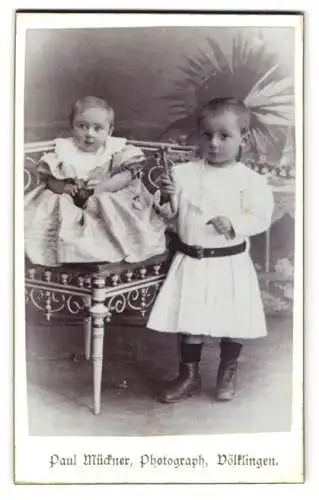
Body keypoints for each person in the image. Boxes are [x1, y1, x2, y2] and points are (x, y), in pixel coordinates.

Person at [148, 97, 274, 403]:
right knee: (191, 321)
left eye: (224, 136)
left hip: (229, 262)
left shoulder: (252, 180)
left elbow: (260, 217)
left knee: (231, 321)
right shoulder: (183, 173)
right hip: (192, 259)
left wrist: (233, 222)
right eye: (207, 135)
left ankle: (227, 370)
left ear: (243, 139)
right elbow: (167, 216)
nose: (214, 144)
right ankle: (188, 375)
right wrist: (165, 198)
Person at [24, 96, 166, 266]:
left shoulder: (115, 150)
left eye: (98, 128)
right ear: (71, 127)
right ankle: (67, 252)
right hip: (72, 201)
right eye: (82, 126)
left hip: (103, 199)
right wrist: (65, 187)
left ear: (110, 131)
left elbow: (127, 176)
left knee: (106, 204)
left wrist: (104, 186)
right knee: (54, 205)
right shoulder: (64, 150)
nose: (89, 134)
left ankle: (106, 249)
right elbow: (50, 180)